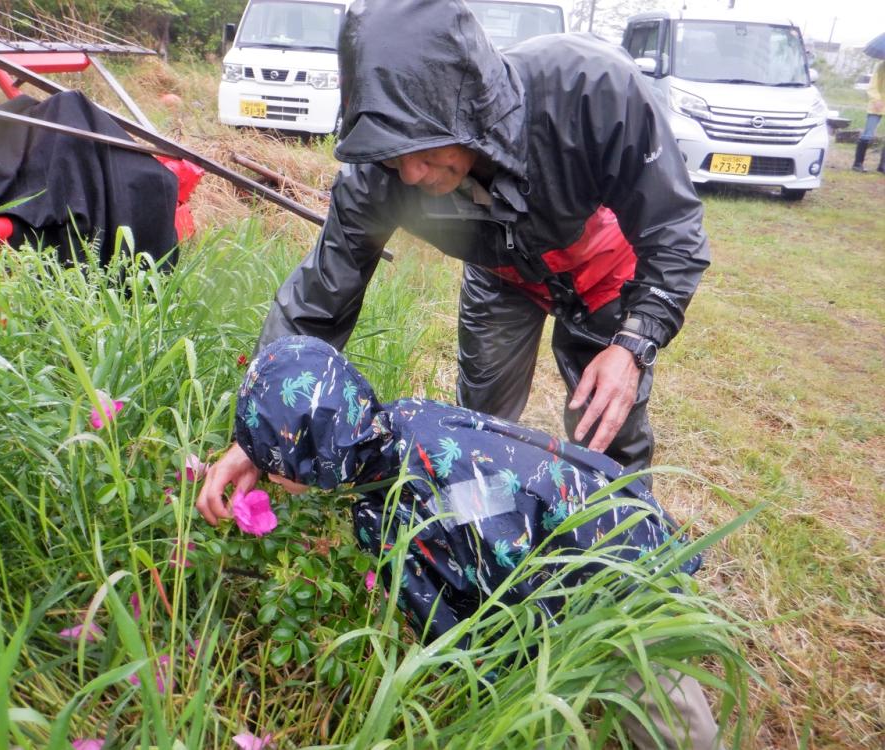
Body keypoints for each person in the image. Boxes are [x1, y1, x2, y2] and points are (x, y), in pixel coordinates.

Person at [198, 0, 709, 545]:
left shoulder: (588, 89)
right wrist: (261, 432)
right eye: (392, 154)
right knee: (479, 429)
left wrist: (633, 343)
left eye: (421, 145)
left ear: (468, 104)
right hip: (502, 276)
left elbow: (673, 229)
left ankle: (626, 549)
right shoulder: (377, 176)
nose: (411, 174)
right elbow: (322, 295)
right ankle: (485, 544)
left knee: (606, 428)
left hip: (600, 265)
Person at [233, 335, 725, 750]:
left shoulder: (397, 511)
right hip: (614, 521)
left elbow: (462, 635)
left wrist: (500, 690)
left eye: (272, 463)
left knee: (672, 719)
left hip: (613, 583)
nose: (269, 476)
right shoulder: (404, 419)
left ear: (311, 458)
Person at [852, 60, 885, 174]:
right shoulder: (881, 65)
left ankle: (882, 166)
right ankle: (857, 163)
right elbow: (872, 86)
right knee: (868, 134)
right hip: (877, 105)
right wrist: (877, 99)